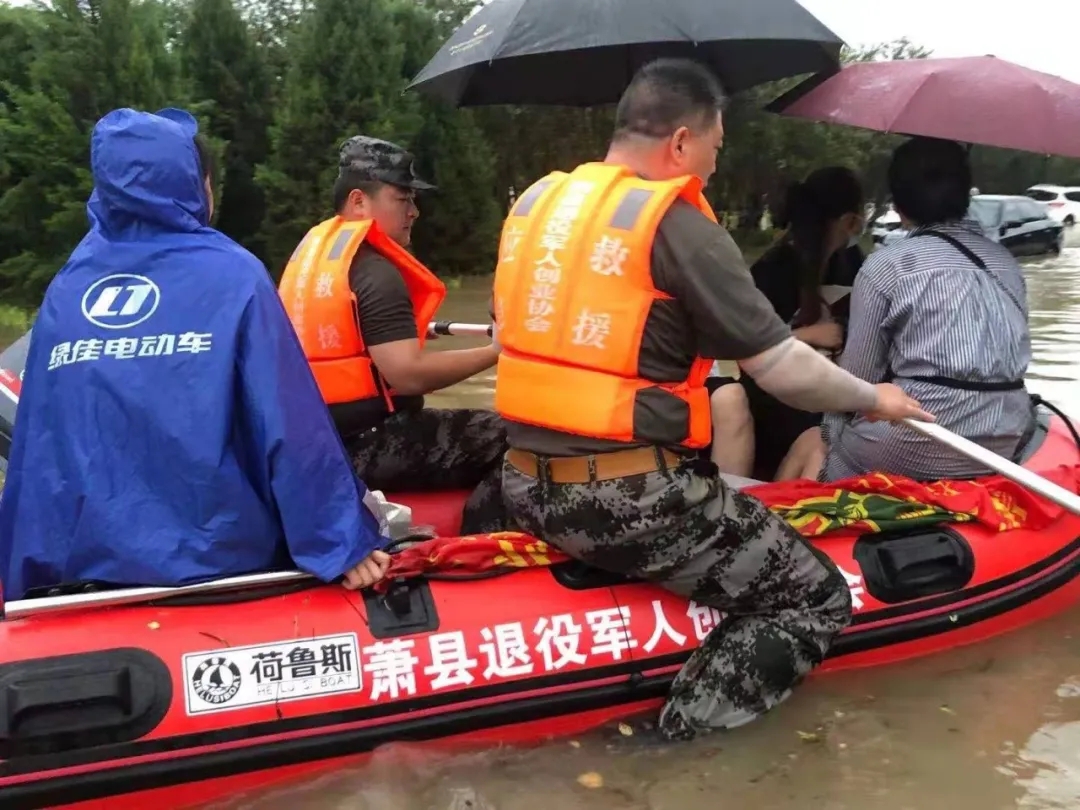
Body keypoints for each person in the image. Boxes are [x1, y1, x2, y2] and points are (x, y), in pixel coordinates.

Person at [491, 58, 933, 741]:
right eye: (715, 149)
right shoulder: (678, 225)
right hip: (623, 502)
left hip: (520, 481)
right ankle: (672, 754)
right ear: (679, 144)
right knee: (812, 597)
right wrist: (874, 397)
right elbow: (782, 368)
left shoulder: (537, 209)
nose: (714, 168)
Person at [0, 108, 391, 603]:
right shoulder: (232, 276)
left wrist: (22, 571)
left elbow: (38, 440)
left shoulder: (68, 287)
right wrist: (342, 539)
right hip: (216, 561)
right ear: (193, 183)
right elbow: (289, 425)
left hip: (79, 564)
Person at [278, 136, 510, 535]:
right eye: (403, 199)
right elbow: (407, 374)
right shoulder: (375, 271)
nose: (415, 211)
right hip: (370, 444)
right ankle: (480, 543)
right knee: (512, 438)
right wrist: (496, 350)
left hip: (318, 441)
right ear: (358, 201)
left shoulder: (314, 257)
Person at [780, 137, 1036, 482]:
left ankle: (777, 526)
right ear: (964, 196)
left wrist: (828, 431)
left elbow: (857, 383)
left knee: (813, 441)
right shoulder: (1006, 262)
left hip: (917, 441)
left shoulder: (887, 264)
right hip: (1005, 441)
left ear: (898, 203)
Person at [709, 166, 866, 480]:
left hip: (830, 388)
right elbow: (740, 347)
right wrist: (808, 335)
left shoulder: (851, 263)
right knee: (822, 435)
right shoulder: (774, 269)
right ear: (849, 221)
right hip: (776, 397)